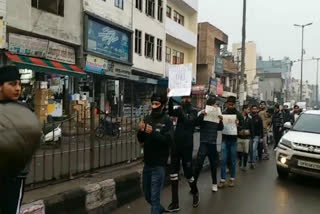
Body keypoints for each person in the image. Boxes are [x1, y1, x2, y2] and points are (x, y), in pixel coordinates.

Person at [0, 65, 42, 214]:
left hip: (14, 176)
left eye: (19, 84)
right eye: (12, 84)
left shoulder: (24, 110)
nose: (18, 88)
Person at [137, 92, 173, 214]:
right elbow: (141, 139)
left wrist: (153, 132)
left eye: (157, 104)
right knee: (148, 196)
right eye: (152, 103)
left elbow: (168, 141)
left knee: (155, 199)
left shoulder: (167, 121)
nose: (154, 106)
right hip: (147, 164)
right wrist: (141, 131)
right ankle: (160, 210)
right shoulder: (147, 118)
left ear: (162, 105)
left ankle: (157, 210)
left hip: (159, 165)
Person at [167, 94, 199, 212]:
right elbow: (170, 112)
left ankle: (195, 192)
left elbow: (189, 122)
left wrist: (181, 112)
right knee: (173, 175)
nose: (184, 100)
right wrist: (170, 98)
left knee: (188, 174)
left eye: (186, 98)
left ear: (190, 99)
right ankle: (175, 203)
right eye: (183, 98)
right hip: (176, 146)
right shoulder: (179, 109)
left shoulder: (193, 111)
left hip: (187, 147)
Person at [193, 96, 224, 193]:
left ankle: (214, 183)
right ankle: (193, 184)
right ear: (211, 104)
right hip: (204, 142)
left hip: (213, 143)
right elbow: (196, 123)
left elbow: (220, 128)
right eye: (215, 104)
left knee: (214, 164)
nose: (216, 106)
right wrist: (202, 115)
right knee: (198, 164)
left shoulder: (217, 114)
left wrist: (221, 120)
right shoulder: (202, 112)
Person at [218, 96, 243, 188]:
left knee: (232, 160)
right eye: (229, 104)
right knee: (223, 160)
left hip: (233, 140)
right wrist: (220, 121)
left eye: (232, 105)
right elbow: (219, 127)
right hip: (225, 139)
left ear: (235, 104)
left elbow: (242, 127)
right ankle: (222, 179)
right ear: (227, 103)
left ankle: (232, 178)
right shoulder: (223, 113)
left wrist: (238, 125)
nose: (230, 106)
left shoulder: (239, 115)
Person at [237, 105, 252, 171]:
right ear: (244, 109)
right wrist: (239, 130)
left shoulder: (249, 118)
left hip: (246, 138)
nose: (249, 111)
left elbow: (251, 128)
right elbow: (236, 125)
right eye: (248, 109)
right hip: (239, 137)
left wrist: (250, 133)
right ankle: (240, 160)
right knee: (239, 151)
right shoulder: (238, 117)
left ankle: (245, 165)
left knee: (246, 152)